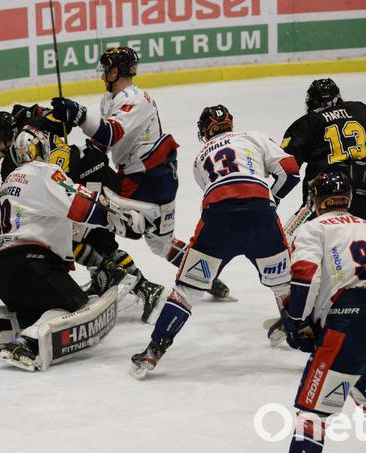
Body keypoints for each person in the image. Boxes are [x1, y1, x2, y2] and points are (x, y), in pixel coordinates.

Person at [129, 104, 301, 379]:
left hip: (218, 221)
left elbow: (218, 189)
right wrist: (270, 200)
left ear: (204, 131)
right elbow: (290, 172)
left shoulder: (200, 157)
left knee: (186, 292)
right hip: (261, 217)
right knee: (284, 286)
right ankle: (309, 341)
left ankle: (153, 352)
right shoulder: (253, 137)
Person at [50, 46, 231, 300]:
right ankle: (205, 277)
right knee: (160, 244)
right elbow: (100, 146)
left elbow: (110, 133)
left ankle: (117, 270)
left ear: (116, 70)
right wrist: (73, 154)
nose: (102, 76)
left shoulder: (136, 100)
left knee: (96, 210)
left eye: (106, 70)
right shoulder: (109, 100)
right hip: (139, 177)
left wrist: (78, 115)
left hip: (152, 180)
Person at [0, 106, 165, 325]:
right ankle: (108, 276)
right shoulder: (34, 128)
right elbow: (57, 117)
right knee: (77, 239)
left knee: (79, 239)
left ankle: (142, 286)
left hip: (88, 183)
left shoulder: (16, 161)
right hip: (86, 177)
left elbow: (18, 196)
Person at [0, 126, 144, 371]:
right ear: (42, 149)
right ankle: (28, 345)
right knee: (74, 309)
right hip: (33, 266)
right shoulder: (45, 173)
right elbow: (80, 205)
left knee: (37, 310)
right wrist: (118, 219)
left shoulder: (11, 180)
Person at [279, 171, 366, 453]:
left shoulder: (314, 228)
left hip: (350, 330)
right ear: (349, 199)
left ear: (316, 200)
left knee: (313, 413)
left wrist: (296, 321)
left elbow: (307, 278)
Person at [282, 78, 366, 221]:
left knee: (303, 238)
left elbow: (286, 165)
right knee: (355, 235)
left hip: (326, 194)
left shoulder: (307, 123)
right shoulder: (359, 110)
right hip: (365, 191)